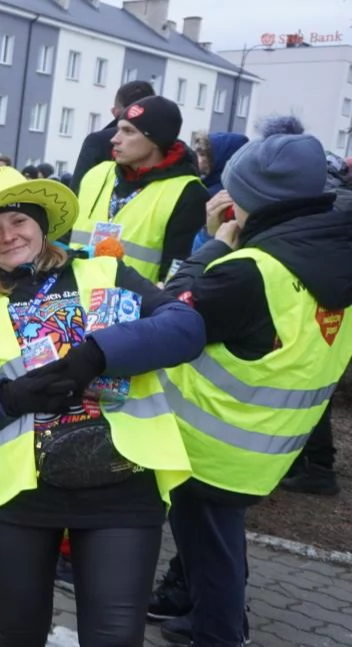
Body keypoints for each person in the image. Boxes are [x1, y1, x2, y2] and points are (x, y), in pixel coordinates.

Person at [0, 165, 202, 646]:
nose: (7, 236)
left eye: (18, 222)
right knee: (17, 636)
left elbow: (187, 329)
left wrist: (98, 354)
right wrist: (8, 398)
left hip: (122, 486)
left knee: (114, 639)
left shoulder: (106, 272)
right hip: (17, 496)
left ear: (41, 225)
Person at [158, 123, 352, 647]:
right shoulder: (332, 255)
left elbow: (171, 312)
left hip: (212, 444)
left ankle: (219, 635)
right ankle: (205, 618)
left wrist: (211, 242)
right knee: (218, 545)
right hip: (267, 442)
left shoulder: (249, 271)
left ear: (253, 201)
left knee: (211, 553)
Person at [69, 96, 208, 283]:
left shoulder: (188, 192)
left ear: (156, 140)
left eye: (128, 131)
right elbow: (66, 235)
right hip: (73, 303)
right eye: (118, 129)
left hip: (138, 308)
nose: (114, 139)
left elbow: (177, 270)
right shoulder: (96, 173)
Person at [70, 80, 156, 193]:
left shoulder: (97, 142)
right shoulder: (173, 145)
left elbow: (77, 191)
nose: (116, 140)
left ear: (115, 112)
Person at [190, 132, 249, 253]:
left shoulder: (215, 196)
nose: (196, 159)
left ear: (220, 159)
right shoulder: (210, 185)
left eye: (202, 155)